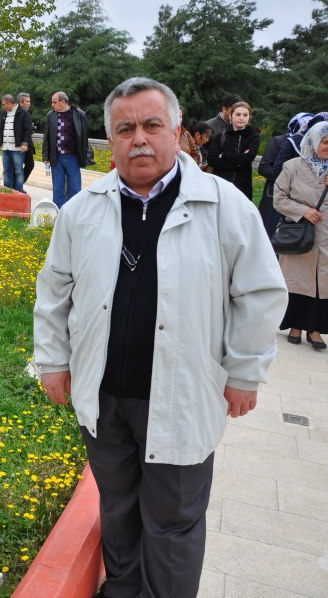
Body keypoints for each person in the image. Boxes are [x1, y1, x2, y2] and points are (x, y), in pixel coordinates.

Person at [33, 77, 287, 598]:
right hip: (105, 396)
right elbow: (54, 293)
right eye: (125, 129)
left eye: (151, 125)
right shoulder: (83, 210)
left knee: (173, 523)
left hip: (181, 395)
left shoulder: (223, 205)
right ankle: (123, 591)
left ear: (176, 131)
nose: (139, 139)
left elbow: (261, 293)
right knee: (119, 511)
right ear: (110, 139)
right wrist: (53, 361)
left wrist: (244, 372)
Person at [273, 121, 328, 351]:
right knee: (297, 282)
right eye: (325, 142)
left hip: (325, 239)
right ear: (314, 141)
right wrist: (303, 211)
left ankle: (314, 329)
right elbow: (279, 198)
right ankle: (295, 326)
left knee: (322, 285)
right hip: (300, 236)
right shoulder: (292, 166)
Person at [258, 113, 312, 236]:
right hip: (274, 193)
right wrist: (288, 178)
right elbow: (264, 167)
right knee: (270, 228)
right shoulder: (280, 141)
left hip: (299, 196)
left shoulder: (311, 146)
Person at [42, 91, 90, 208]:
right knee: (58, 187)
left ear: (63, 102)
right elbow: (46, 136)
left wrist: (84, 156)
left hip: (73, 157)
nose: (52, 105)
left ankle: (72, 211)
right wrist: (45, 156)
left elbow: (84, 137)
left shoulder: (79, 115)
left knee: (74, 186)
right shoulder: (51, 115)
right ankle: (59, 213)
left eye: (54, 102)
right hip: (56, 157)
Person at [206, 101, 260, 200]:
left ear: (249, 117)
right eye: (238, 114)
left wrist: (224, 155)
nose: (241, 118)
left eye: (245, 115)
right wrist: (238, 164)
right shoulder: (220, 137)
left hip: (242, 188)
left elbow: (247, 158)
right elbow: (212, 160)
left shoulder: (253, 137)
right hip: (220, 187)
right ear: (231, 116)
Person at [0, 94, 33, 192]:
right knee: (7, 171)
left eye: (3, 104)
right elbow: (1, 129)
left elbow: (28, 130)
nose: (2, 106)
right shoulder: (4, 114)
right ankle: (8, 191)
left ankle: (18, 191)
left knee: (18, 171)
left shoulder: (23, 113)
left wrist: (25, 143)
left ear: (9, 103)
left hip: (17, 149)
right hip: (6, 148)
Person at [18, 93, 36, 182]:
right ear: (21, 103)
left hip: (24, 144)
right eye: (27, 101)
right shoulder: (22, 113)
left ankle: (18, 185)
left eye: (29, 101)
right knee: (29, 164)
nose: (29, 103)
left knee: (22, 166)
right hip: (23, 145)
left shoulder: (24, 113)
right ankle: (19, 185)